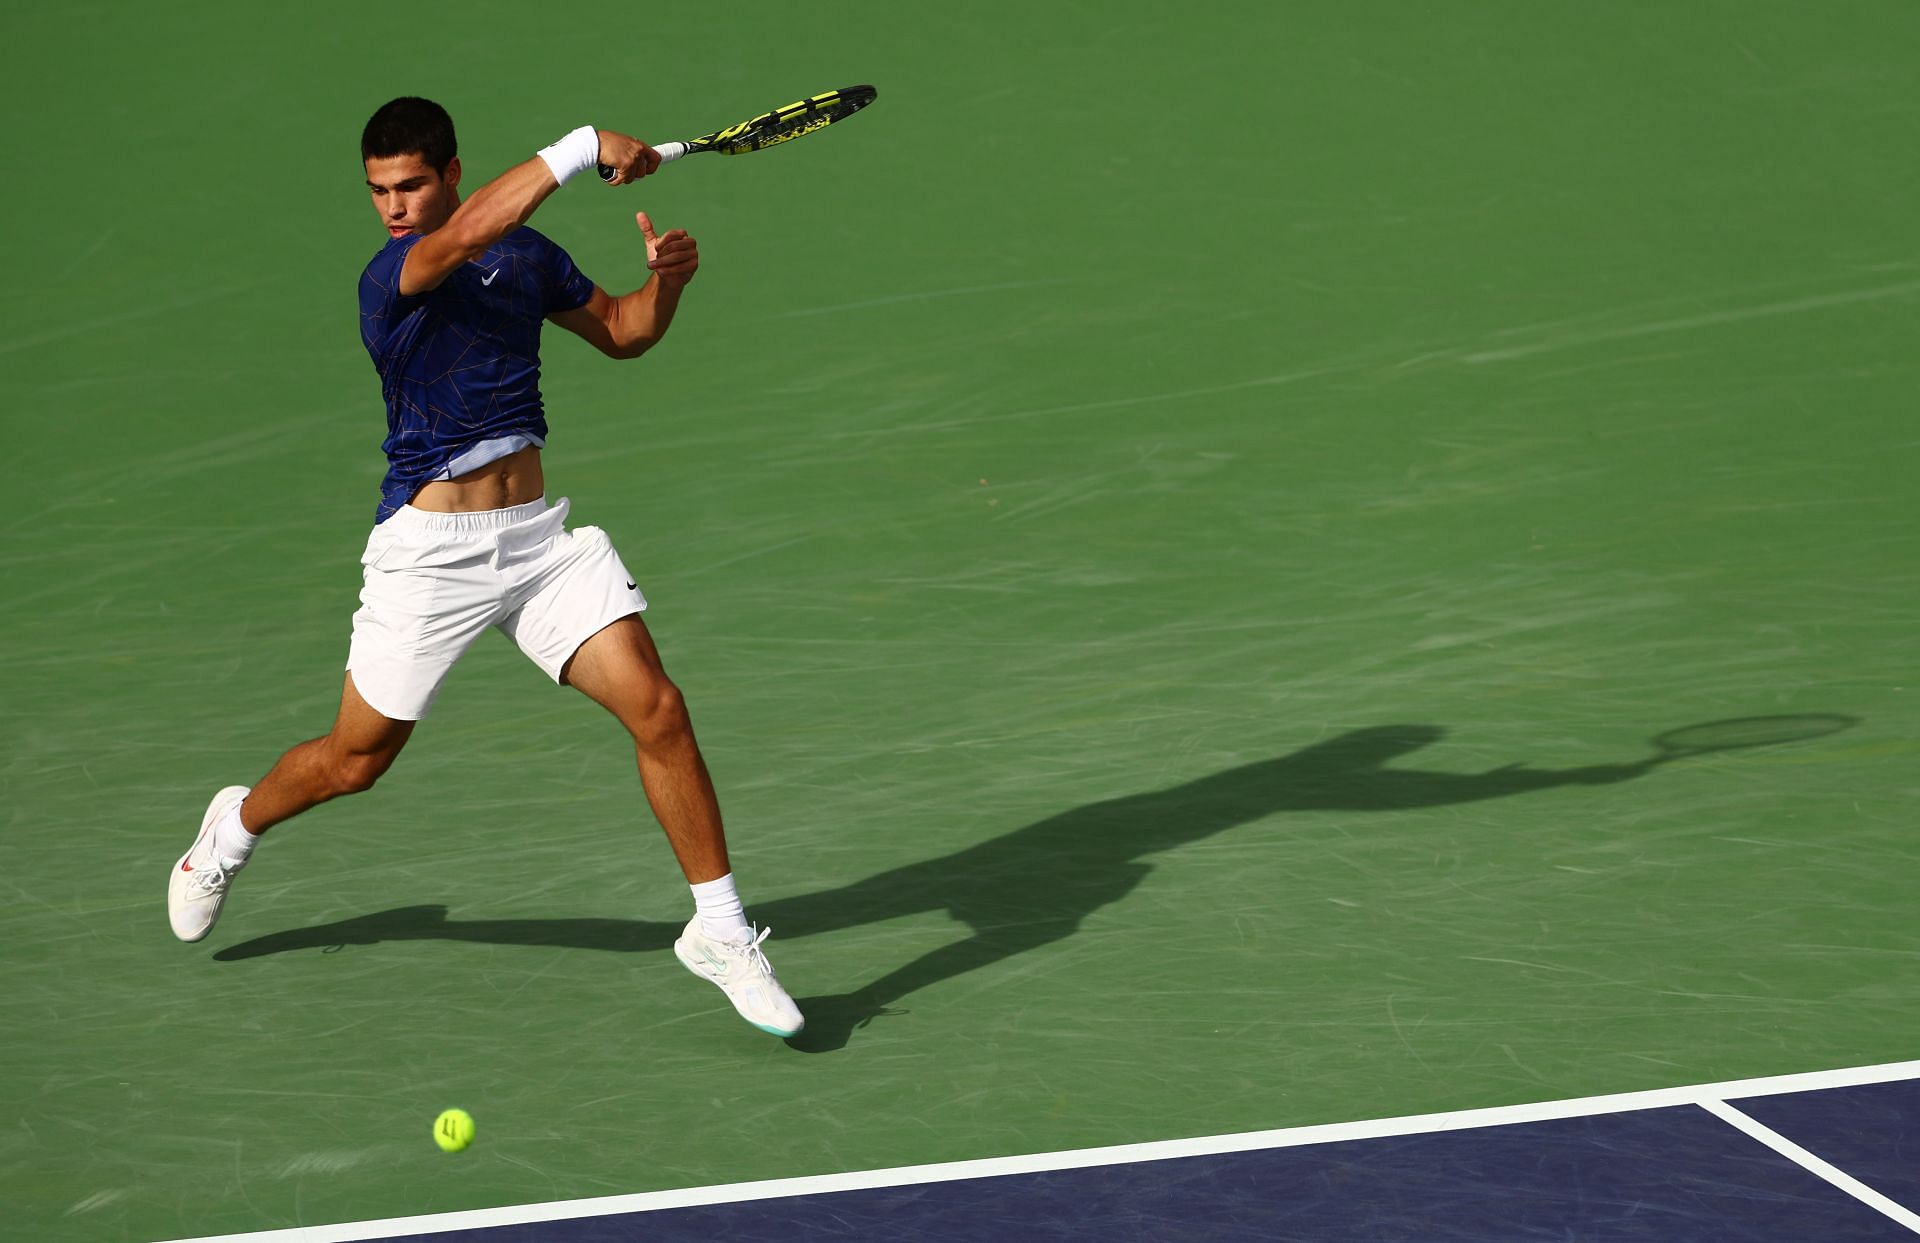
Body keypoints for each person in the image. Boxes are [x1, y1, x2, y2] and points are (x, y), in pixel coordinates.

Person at [166, 97, 803, 1039]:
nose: (394, 205)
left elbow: (624, 333)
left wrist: (664, 283)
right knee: (354, 761)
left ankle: (718, 930)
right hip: (430, 557)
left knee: (657, 707)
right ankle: (232, 829)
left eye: (412, 184)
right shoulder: (397, 274)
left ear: (451, 170)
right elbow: (471, 233)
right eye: (380, 190)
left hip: (538, 544)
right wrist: (585, 145)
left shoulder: (527, 259)